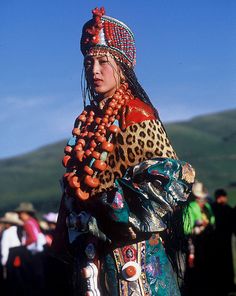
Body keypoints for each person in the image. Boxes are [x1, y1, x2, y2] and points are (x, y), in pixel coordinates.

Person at [53, 7, 195, 296]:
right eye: (89, 62)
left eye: (103, 62)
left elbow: (167, 180)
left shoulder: (136, 114)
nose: (94, 70)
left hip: (134, 256)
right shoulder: (87, 120)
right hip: (93, 255)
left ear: (122, 67)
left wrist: (110, 204)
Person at [183, 181, 215, 296]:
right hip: (195, 242)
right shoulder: (192, 207)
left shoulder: (206, 207)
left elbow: (212, 222)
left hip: (206, 241)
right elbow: (187, 228)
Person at [211, 188, 236, 295]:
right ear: (222, 197)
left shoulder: (211, 208)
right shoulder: (228, 209)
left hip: (213, 241)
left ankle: (217, 286)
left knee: (216, 264)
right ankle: (228, 286)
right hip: (226, 240)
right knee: (227, 264)